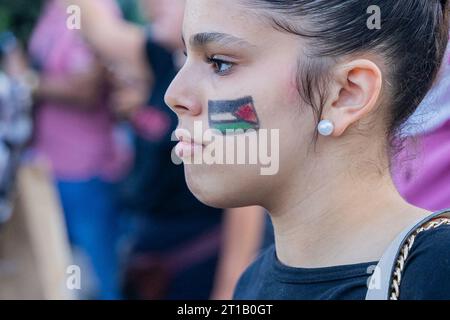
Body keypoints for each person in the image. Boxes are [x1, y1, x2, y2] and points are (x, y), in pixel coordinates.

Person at [164, 0, 450, 300]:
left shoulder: (436, 274)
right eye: (184, 57)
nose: (174, 95)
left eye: (220, 63)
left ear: (346, 94)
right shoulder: (253, 281)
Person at [63, 0, 271, 299]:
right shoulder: (162, 60)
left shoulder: (233, 80)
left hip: (198, 263)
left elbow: (247, 197)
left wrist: (228, 290)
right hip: (152, 257)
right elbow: (98, 29)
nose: (175, 96)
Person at [27, 0, 130, 299]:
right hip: (47, 166)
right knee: (60, 272)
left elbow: (86, 88)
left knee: (104, 275)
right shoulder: (53, 8)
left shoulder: (97, 8)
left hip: (86, 169)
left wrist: (29, 83)